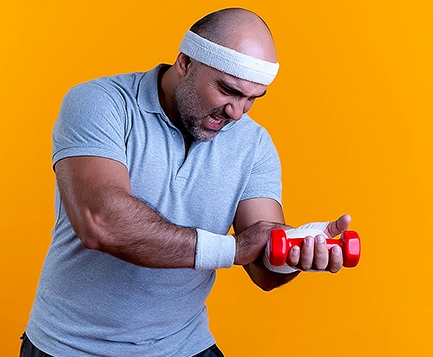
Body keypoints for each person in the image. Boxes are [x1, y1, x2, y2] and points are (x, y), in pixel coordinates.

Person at [21, 7, 352, 357]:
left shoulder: (253, 145)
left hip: (184, 345)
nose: (236, 113)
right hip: (72, 347)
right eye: (227, 90)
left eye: (252, 98)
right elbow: (101, 222)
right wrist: (232, 249)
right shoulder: (102, 103)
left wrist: (296, 253)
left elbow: (264, 268)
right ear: (185, 62)